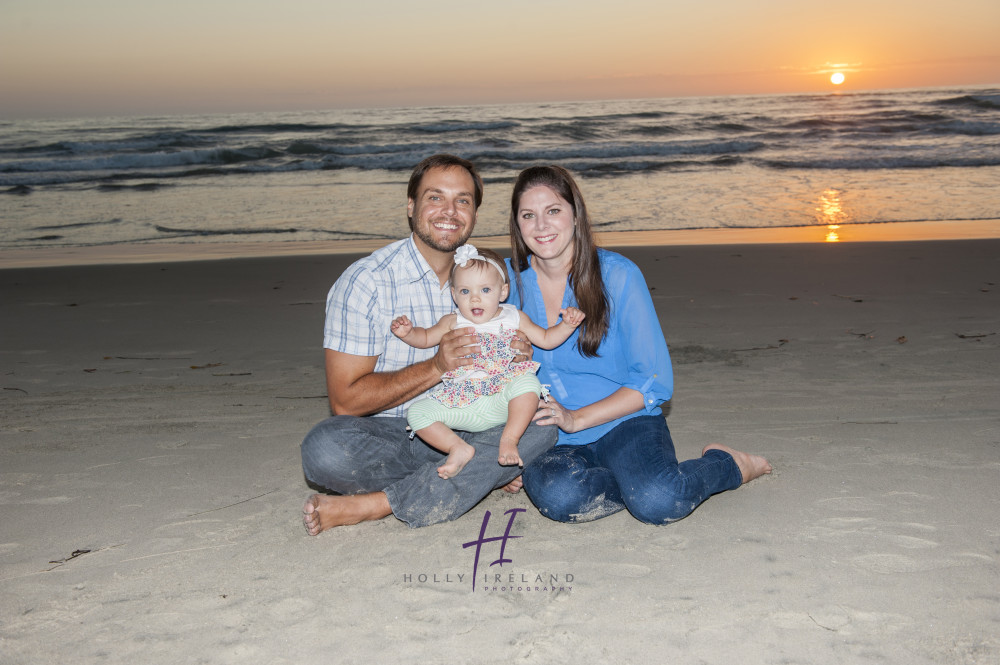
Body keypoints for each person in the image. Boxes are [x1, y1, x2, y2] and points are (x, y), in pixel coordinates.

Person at [300, 154, 557, 535]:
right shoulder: (366, 283)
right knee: (324, 450)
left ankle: (379, 504)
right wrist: (438, 366)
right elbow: (346, 402)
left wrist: (522, 351)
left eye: (463, 200)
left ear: (474, 213)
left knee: (543, 424)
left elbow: (527, 345)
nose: (449, 211)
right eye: (435, 197)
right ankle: (480, 474)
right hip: (396, 433)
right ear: (411, 206)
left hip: (482, 419)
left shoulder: (489, 275)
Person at [505, 165, 772, 524]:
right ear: (517, 223)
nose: (541, 226)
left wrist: (576, 418)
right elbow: (480, 373)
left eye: (553, 211)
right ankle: (637, 483)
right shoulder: (503, 285)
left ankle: (728, 464)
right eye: (528, 215)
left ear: (574, 214)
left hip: (625, 421)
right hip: (551, 436)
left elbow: (653, 379)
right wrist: (504, 450)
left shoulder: (618, 275)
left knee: (659, 502)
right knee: (559, 498)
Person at [391, 243, 585, 479]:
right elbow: (425, 338)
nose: (474, 299)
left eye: (485, 290)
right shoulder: (451, 321)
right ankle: (457, 448)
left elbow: (545, 339)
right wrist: (408, 333)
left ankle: (509, 438)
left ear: (502, 292)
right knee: (418, 412)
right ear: (454, 294)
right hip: (463, 403)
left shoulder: (514, 317)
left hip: (502, 402)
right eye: (465, 291)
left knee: (528, 384)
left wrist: (566, 325)